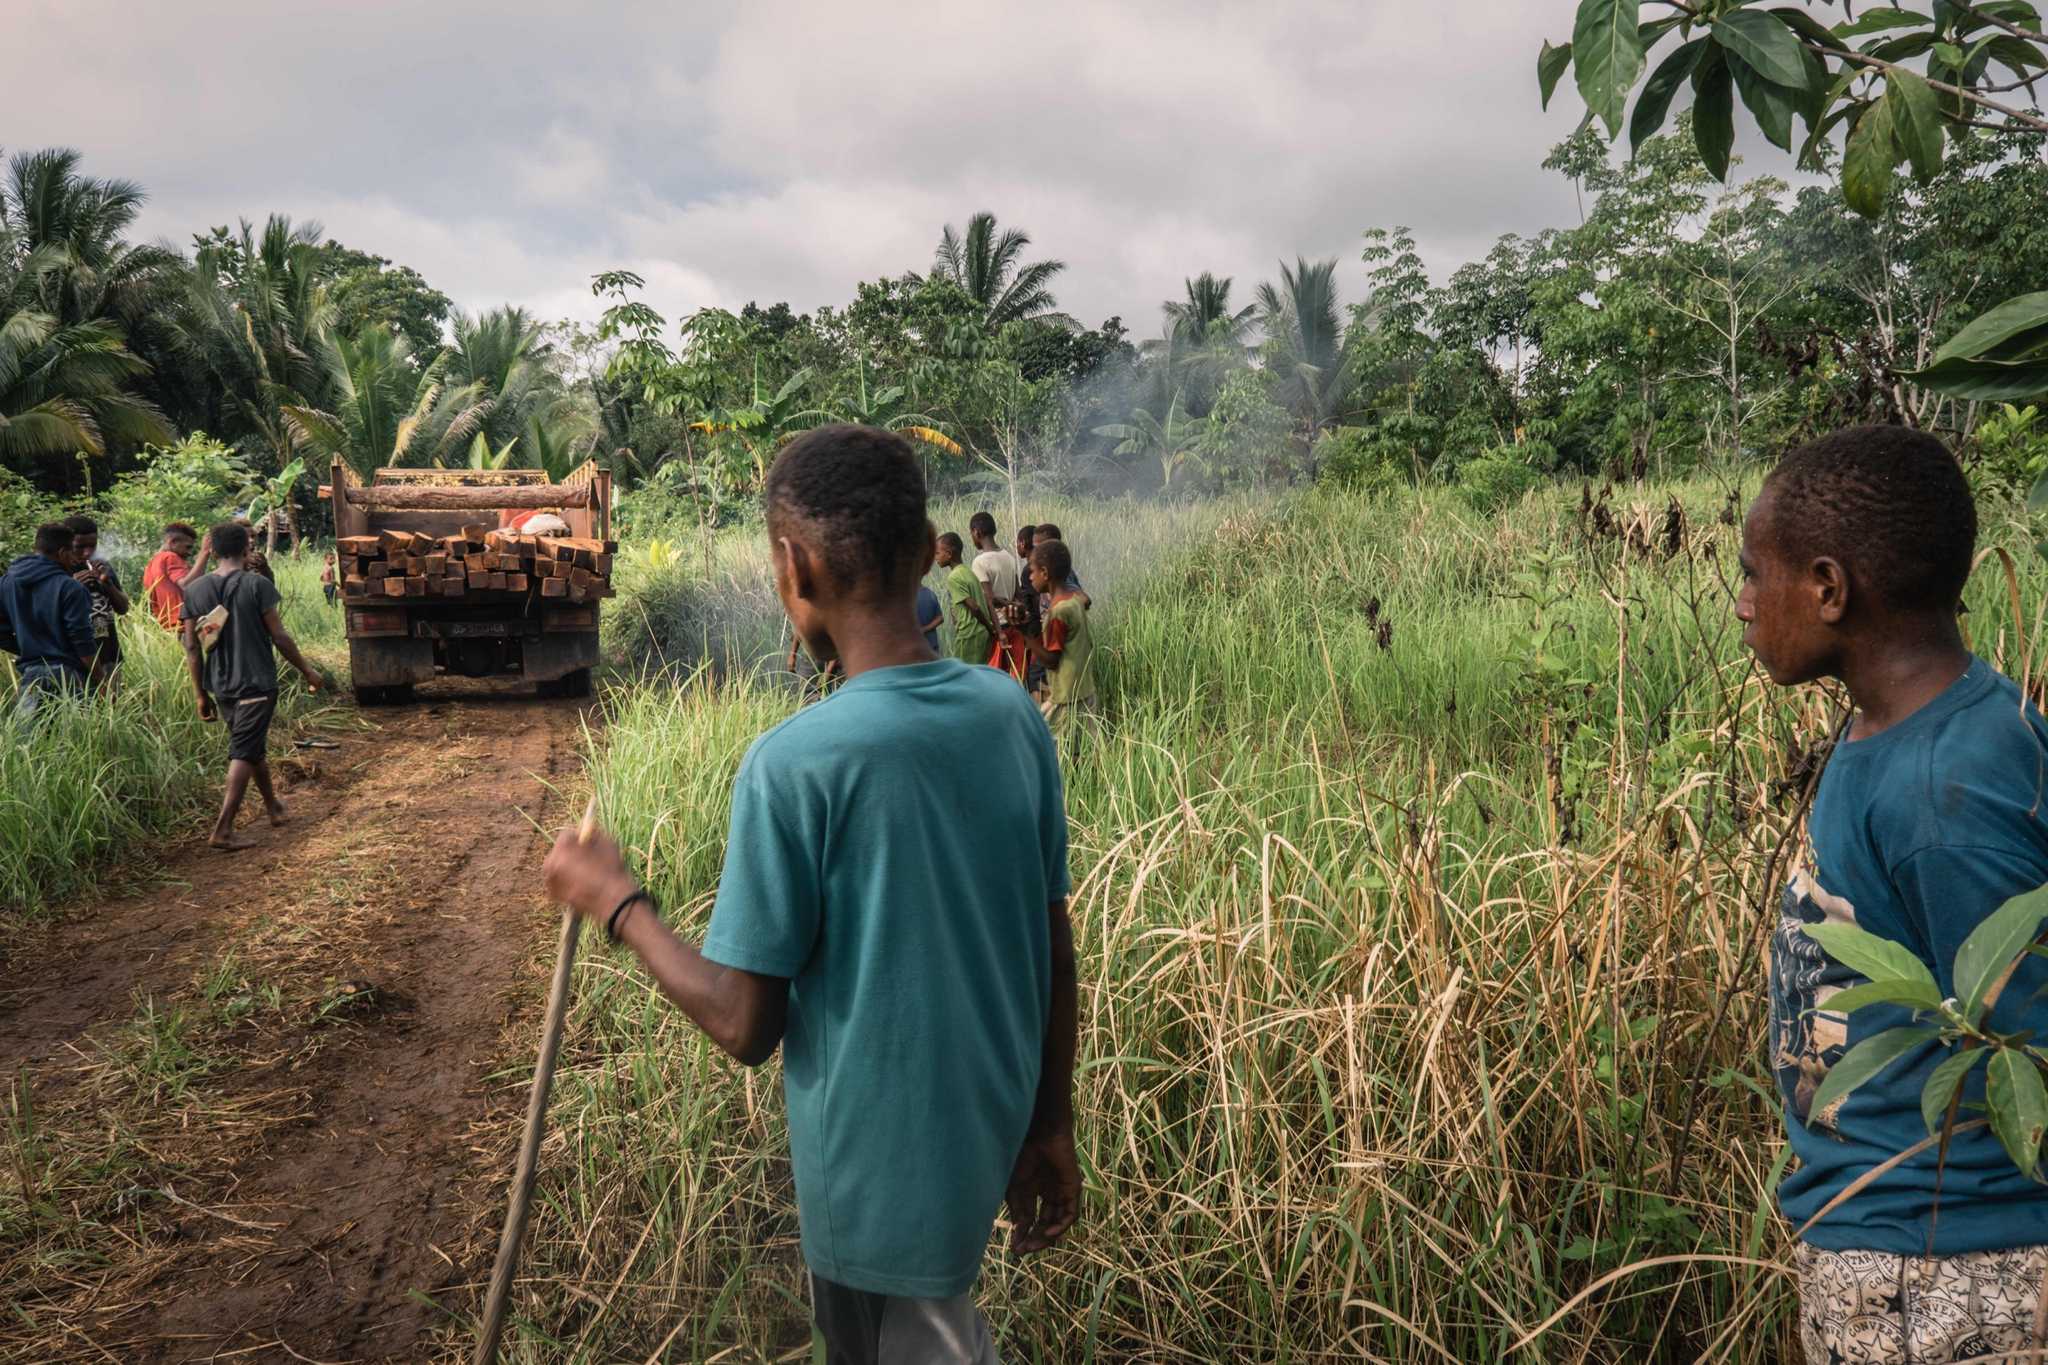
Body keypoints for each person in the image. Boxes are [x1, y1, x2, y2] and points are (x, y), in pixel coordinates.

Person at [542, 425, 1079, 1364]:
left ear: (794, 570)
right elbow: (1052, 939)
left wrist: (619, 901)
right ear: (925, 552)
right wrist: (1050, 1119)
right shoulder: (1012, 717)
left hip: (877, 1191)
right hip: (983, 1140)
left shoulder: (794, 765)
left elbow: (745, 1024)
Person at [1743, 426, 2048, 1364]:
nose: (1743, 605)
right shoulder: (1902, 727)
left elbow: (2032, 1041)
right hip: (1895, 1251)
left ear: (1830, 589)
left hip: (1946, 1271)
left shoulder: (1940, 799)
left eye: (1756, 574)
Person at [180, 521, 323, 851]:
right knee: (244, 750)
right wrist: (307, 671)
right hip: (256, 682)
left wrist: (200, 693)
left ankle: (273, 807)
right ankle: (223, 829)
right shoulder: (257, 585)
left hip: (220, 685)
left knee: (250, 745)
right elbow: (280, 637)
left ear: (212, 551)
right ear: (247, 548)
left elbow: (191, 646)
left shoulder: (194, 590)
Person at [0, 522, 94, 720]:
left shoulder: (6, 583)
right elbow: (82, 641)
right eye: (72, 552)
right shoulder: (71, 588)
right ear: (62, 553)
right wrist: (101, 680)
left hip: (31, 676)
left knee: (30, 743)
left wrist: (31, 648)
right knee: (79, 743)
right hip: (69, 676)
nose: (75, 559)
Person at [1026, 539, 1096, 734]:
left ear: (1045, 573)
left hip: (1065, 696)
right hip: (1083, 688)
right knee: (1084, 748)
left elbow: (1051, 660)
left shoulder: (1058, 611)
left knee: (1059, 749)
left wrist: (1026, 635)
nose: (1030, 577)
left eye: (1032, 571)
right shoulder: (1075, 600)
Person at [66, 514, 130, 694]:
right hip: (77, 659)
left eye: (92, 546)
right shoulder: (59, 571)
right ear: (66, 544)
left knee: (112, 711)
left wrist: (107, 584)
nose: (87, 553)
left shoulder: (102, 566)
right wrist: (71, 585)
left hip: (109, 654)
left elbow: (123, 608)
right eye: (80, 547)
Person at [938, 532, 997, 668]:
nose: (936, 558)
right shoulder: (968, 571)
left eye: (937, 553)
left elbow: (974, 607)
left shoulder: (953, 577)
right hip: (981, 634)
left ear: (948, 554)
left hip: (969, 634)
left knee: (963, 675)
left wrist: (991, 628)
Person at [143, 522, 208, 631]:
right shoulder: (171, 557)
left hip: (166, 628)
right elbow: (187, 584)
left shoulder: (152, 563)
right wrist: (204, 553)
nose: (189, 552)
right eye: (187, 547)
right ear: (173, 542)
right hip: (183, 625)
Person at [916, 576, 943, 654]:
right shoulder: (930, 593)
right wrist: (925, 629)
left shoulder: (906, 598)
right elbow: (940, 618)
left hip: (916, 649)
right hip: (932, 645)